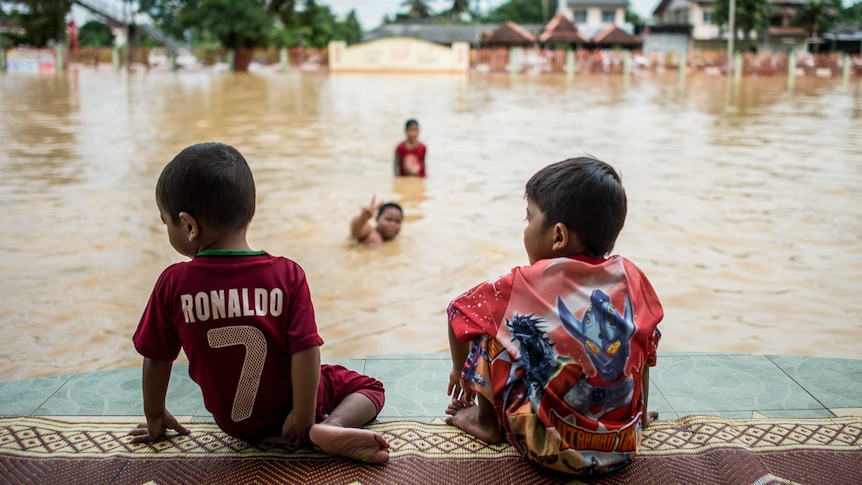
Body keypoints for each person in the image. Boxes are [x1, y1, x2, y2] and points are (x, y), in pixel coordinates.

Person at [129, 142, 390, 464]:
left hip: (234, 424)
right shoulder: (287, 275)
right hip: (291, 412)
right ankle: (331, 427)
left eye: (165, 222)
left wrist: (155, 416)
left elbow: (156, 357)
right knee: (370, 387)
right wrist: (302, 416)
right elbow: (305, 350)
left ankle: (320, 426)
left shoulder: (173, 284)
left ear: (189, 226)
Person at [444, 156, 663, 475]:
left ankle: (484, 422)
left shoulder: (519, 284)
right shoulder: (631, 275)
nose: (525, 228)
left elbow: (457, 311)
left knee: (488, 324)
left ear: (557, 236)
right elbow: (648, 345)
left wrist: (459, 372)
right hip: (623, 447)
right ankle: (638, 417)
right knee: (643, 331)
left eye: (528, 219)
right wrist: (639, 417)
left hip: (544, 450)